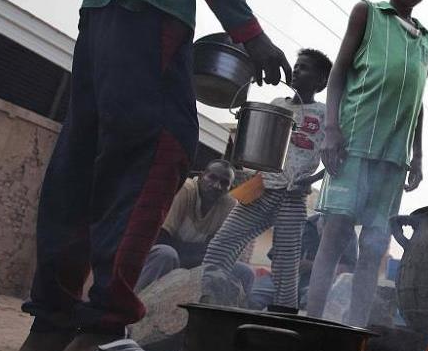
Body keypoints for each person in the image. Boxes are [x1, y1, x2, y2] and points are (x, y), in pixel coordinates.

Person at [16, 0, 289, 351]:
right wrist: (249, 31)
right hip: (153, 13)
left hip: (104, 10)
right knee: (162, 148)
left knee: (82, 161)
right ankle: (102, 333)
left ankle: (49, 332)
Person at [304, 0, 428, 327]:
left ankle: (355, 332)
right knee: (336, 233)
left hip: (394, 158)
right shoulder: (368, 14)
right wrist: (331, 130)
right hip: (353, 144)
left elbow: (418, 99)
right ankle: (311, 323)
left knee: (375, 244)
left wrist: (419, 154)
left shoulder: (426, 38)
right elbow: (339, 73)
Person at [202, 49, 332, 311]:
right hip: (261, 187)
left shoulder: (325, 114)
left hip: (294, 196)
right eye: (296, 66)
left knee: (286, 264)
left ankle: (283, 313)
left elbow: (335, 158)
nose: (296, 71)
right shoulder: (277, 104)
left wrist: (313, 179)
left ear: (320, 82)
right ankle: (208, 298)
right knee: (222, 244)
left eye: (305, 68)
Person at [134, 159, 253, 293]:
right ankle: (132, 305)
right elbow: (161, 238)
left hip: (197, 263)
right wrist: (201, 252)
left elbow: (221, 252)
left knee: (244, 272)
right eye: (212, 178)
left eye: (224, 183)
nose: (216, 186)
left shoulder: (229, 204)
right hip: (165, 256)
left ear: (230, 188)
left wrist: (200, 253)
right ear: (202, 176)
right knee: (166, 253)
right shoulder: (186, 189)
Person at [247, 213, 357, 311]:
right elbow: (276, 256)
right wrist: (291, 264)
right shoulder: (303, 223)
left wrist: (312, 266)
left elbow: (348, 270)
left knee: (313, 304)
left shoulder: (348, 232)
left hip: (318, 285)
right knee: (255, 297)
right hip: (282, 279)